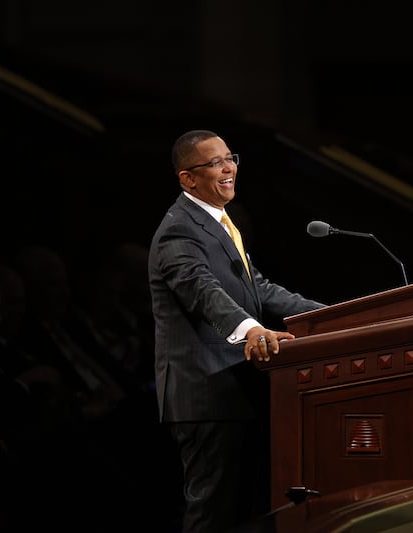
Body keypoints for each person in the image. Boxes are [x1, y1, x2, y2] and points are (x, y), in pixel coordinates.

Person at [148, 129, 325, 533]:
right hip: (207, 396)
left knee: (245, 515)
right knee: (213, 516)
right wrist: (249, 329)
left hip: (237, 391)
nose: (228, 168)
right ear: (187, 178)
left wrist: (336, 316)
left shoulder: (219, 223)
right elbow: (199, 289)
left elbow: (258, 289)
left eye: (230, 158)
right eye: (214, 162)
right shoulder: (180, 229)